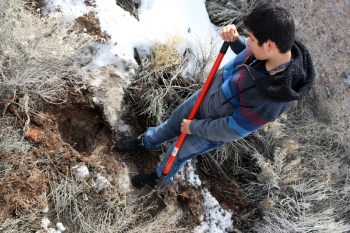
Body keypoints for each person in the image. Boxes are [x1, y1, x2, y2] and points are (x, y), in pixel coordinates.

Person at [114, 3, 315, 188]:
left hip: (214, 128)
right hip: (207, 96)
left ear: (270, 45)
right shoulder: (275, 48)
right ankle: (146, 142)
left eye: (252, 39)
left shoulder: (272, 100)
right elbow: (249, 50)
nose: (249, 42)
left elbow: (231, 129)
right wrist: (236, 41)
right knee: (172, 122)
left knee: (180, 150)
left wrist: (194, 127)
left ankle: (159, 178)